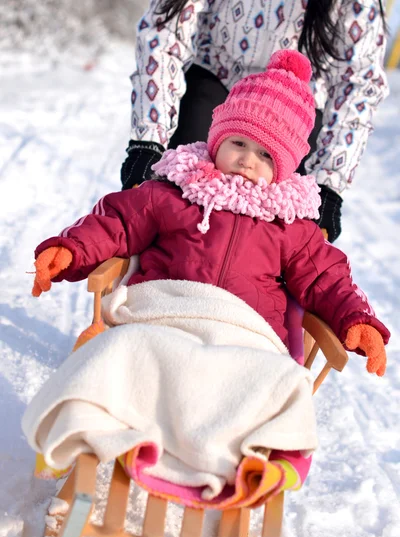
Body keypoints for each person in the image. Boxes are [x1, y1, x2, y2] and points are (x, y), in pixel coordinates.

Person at [32, 50, 389, 376]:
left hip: (242, 334)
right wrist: (72, 248)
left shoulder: (291, 224)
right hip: (163, 312)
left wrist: (356, 319)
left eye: (266, 155)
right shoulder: (176, 190)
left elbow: (324, 278)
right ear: (217, 139)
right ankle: (96, 412)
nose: (247, 160)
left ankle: (257, 441)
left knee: (273, 383)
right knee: (123, 354)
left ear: (285, 167)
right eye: (238, 143)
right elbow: (118, 222)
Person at [120, 0, 388, 243]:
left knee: (284, 220)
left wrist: (329, 184)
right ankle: (160, 257)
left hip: (295, 107)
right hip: (218, 78)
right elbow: (164, 31)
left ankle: (262, 280)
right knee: (181, 184)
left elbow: (359, 84)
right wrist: (148, 141)